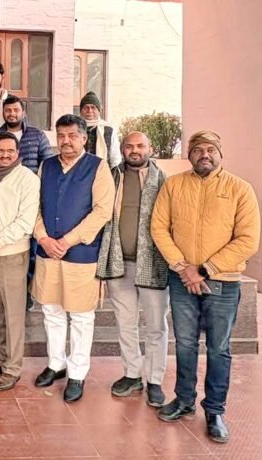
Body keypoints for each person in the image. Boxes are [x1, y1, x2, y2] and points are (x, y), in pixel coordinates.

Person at [151, 130, 260, 443]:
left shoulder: (240, 189)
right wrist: (183, 268)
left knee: (218, 348)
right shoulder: (174, 185)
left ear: (220, 154)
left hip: (222, 281)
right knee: (185, 343)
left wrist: (204, 269)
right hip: (182, 280)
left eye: (211, 149)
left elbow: (247, 240)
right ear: (189, 154)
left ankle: (214, 410)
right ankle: (184, 400)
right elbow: (159, 227)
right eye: (198, 150)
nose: (205, 155)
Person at [31, 114, 115, 403]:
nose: (65, 141)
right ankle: (56, 364)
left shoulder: (97, 167)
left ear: (83, 138)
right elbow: (35, 206)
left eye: (72, 135)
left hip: (80, 253)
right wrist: (43, 237)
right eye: (61, 135)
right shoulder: (47, 165)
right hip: (48, 252)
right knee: (51, 311)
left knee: (80, 316)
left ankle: (77, 372)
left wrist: (68, 240)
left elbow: (102, 211)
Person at [95, 131, 169, 407]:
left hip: (153, 263)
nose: (134, 150)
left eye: (140, 146)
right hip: (119, 262)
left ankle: (155, 380)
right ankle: (132, 374)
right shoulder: (111, 177)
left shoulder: (163, 181)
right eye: (129, 146)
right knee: (125, 324)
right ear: (122, 149)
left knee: (156, 326)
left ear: (150, 148)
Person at [0, 132, 40, 391]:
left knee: (13, 314)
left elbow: (25, 221)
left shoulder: (27, 179)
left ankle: (12, 368)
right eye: (0, 150)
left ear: (18, 152)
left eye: (10, 151)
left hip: (12, 255)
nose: (5, 155)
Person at [0, 95, 52, 173]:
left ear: (23, 113)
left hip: (31, 180)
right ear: (3, 113)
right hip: (4, 179)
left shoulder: (38, 135)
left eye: (16, 110)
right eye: (8, 110)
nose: (12, 113)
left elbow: (48, 163)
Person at [79, 91, 121, 168]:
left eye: (93, 107)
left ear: (99, 111)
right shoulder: (75, 127)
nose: (89, 111)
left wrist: (114, 172)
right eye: (86, 107)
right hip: (79, 171)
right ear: (81, 111)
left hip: (103, 171)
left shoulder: (108, 129)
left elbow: (115, 156)